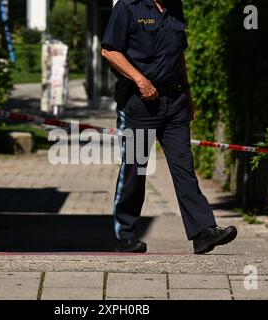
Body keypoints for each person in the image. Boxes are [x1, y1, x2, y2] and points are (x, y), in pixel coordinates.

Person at [101, 0, 237, 254]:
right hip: (139, 102)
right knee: (134, 169)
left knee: (184, 166)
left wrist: (188, 94)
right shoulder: (128, 7)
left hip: (174, 102)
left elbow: (178, 56)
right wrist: (141, 81)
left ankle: (203, 231)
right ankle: (126, 234)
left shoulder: (175, 7)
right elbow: (110, 51)